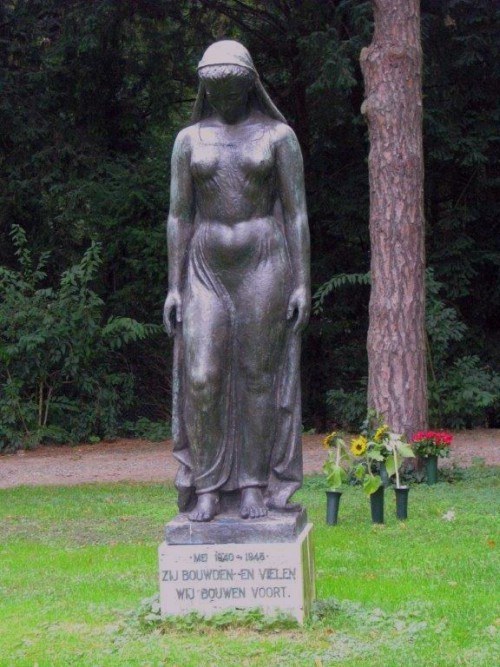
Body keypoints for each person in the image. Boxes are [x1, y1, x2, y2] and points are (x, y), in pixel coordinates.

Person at [163, 40, 310, 522]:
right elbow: (178, 216)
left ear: (250, 86)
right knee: (202, 376)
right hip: (204, 265)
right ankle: (207, 486)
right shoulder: (189, 139)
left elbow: (297, 215)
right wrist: (173, 285)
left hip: (265, 262)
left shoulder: (278, 136)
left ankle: (252, 482)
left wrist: (302, 282)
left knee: (256, 375)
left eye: (232, 91)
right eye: (215, 91)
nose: (224, 100)